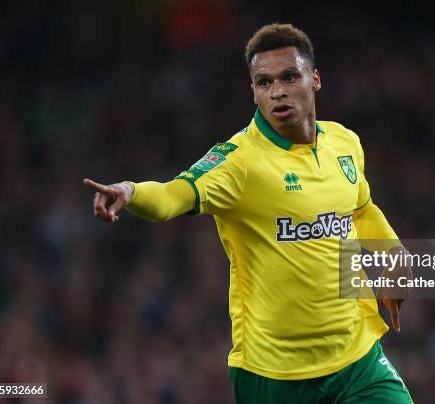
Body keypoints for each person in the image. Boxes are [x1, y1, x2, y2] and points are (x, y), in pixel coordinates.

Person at [84, 23, 413, 403]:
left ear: (315, 79)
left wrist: (392, 251)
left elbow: (360, 208)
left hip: (358, 363)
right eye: (264, 82)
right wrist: (131, 190)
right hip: (273, 377)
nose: (278, 92)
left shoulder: (345, 143)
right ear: (254, 92)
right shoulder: (239, 161)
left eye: (289, 77)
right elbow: (175, 194)